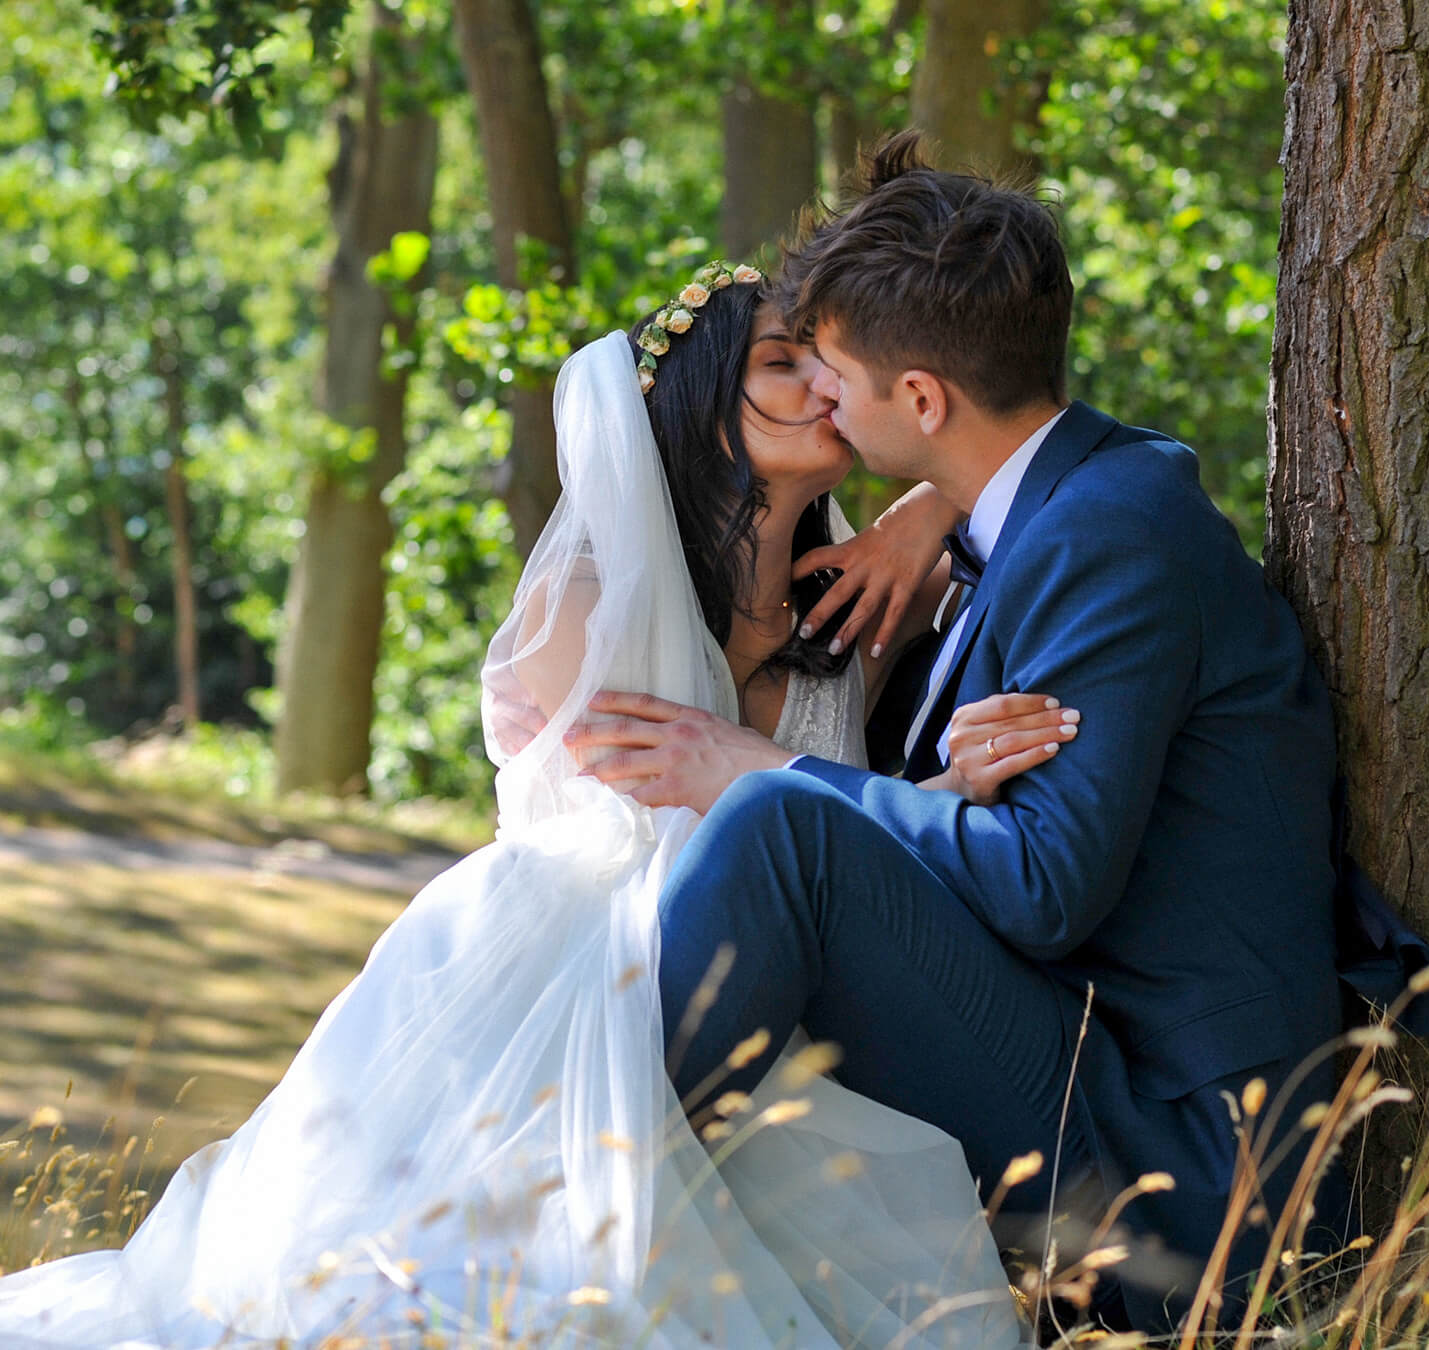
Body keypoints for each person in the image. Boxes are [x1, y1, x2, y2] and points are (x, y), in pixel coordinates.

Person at [0, 263, 1040, 1348]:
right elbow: (681, 823)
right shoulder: (585, 605)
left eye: (827, 364)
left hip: (785, 993)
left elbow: (999, 452)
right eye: (783, 364)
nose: (827, 386)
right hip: (584, 972)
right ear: (699, 412)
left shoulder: (855, 609)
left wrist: (920, 519)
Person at [571, 134, 1355, 1333]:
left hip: (1189, 1167)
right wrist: (930, 508)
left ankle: (583, 1227)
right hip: (1104, 1077)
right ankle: (613, 1225)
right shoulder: (1080, 505)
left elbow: (1042, 888)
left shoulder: (1106, 535)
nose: (824, 397)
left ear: (923, 400)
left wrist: (758, 764)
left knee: (783, 824)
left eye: (836, 373)